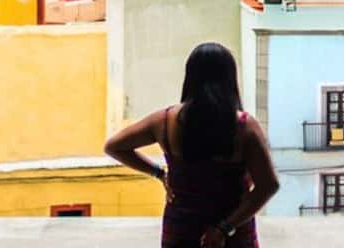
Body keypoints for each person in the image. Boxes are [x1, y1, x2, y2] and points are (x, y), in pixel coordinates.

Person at [105, 42, 279, 248]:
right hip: (234, 232)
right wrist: (224, 228)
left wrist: (159, 173)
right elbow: (268, 185)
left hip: (181, 228)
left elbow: (114, 146)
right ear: (230, 78)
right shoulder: (244, 127)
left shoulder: (164, 121)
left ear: (190, 78)